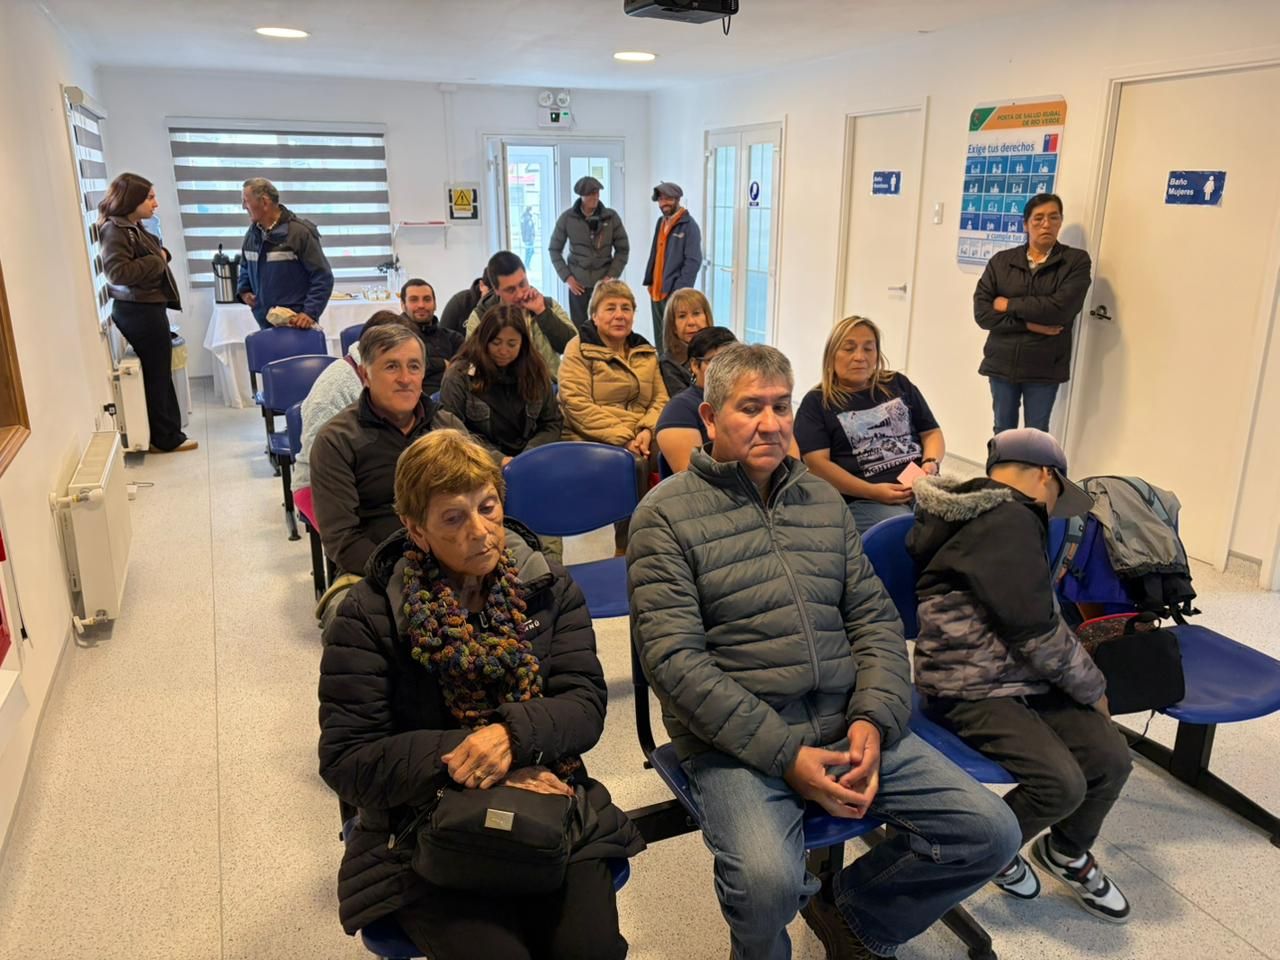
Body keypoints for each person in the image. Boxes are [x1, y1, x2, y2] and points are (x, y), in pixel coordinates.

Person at [627, 343, 1021, 960]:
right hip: (738, 744)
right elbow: (676, 665)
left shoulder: (820, 500)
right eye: (749, 407)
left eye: (781, 406)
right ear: (709, 418)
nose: (770, 423)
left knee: (991, 832)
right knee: (766, 885)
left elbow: (874, 620)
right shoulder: (665, 516)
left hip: (845, 719)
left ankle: (855, 918)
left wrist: (873, 718)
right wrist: (787, 756)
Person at [319, 429, 643, 960]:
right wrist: (478, 759)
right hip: (422, 829)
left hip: (548, 803)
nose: (481, 532)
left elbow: (584, 705)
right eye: (453, 518)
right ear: (415, 530)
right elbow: (349, 759)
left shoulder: (547, 588)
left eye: (487, 507)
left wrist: (511, 739)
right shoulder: (370, 614)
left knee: (591, 951)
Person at [909, 428, 1133, 924]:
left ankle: (1065, 851)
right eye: (1057, 496)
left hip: (1017, 674)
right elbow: (1036, 631)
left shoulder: (994, 513)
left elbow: (1036, 626)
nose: (1054, 510)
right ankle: (993, 847)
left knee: (1111, 758)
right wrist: (1094, 689)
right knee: (1061, 785)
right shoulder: (1008, 518)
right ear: (1047, 476)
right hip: (967, 684)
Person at [309, 322, 466, 627]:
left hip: (452, 556)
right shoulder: (337, 440)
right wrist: (411, 575)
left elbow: (479, 502)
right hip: (372, 566)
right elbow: (342, 539)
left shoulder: (447, 428)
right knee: (346, 622)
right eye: (391, 366)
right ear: (365, 375)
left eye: (414, 366)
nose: (405, 379)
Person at [796, 316, 945, 534]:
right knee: (909, 531)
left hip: (920, 486)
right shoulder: (817, 402)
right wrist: (872, 491)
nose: (860, 357)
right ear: (831, 355)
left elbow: (931, 432)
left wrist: (931, 463)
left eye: (868, 348)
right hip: (863, 498)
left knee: (963, 519)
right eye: (849, 349)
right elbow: (817, 465)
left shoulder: (897, 383)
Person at [558, 281, 668, 552]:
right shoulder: (578, 348)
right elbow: (576, 404)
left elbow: (661, 399)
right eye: (610, 308)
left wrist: (646, 431)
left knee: (681, 449)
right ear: (594, 316)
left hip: (641, 435)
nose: (620, 315)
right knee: (634, 464)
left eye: (626, 308)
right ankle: (629, 548)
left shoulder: (645, 351)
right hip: (591, 435)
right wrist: (625, 438)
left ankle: (672, 538)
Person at [973, 192, 1093, 433]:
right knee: (1002, 431)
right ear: (1026, 224)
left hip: (1045, 364)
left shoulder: (1075, 261)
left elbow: (1060, 310)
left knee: (1036, 434)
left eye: (1053, 217)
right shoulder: (1002, 261)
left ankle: (1033, 463)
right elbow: (983, 314)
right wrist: (1030, 325)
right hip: (1002, 361)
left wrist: (1008, 304)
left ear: (1060, 221)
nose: (1046, 224)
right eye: (1038, 218)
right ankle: (1001, 462)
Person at [97, 172, 196, 453]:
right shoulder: (115, 229)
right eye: (150, 197)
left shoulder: (132, 226)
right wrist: (157, 260)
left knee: (160, 372)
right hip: (139, 311)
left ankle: (169, 434)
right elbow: (117, 272)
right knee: (157, 375)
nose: (156, 203)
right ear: (132, 199)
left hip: (146, 307)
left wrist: (160, 256)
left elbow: (152, 254)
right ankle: (165, 439)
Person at [292, 310, 403, 492]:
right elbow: (320, 457)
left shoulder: (384, 377)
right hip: (322, 484)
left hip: (372, 474)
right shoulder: (334, 388)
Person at [439, 303, 563, 467]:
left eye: (512, 344)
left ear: (523, 344)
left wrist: (528, 456)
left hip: (531, 460)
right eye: (496, 343)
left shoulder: (536, 371)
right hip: (477, 463)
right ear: (483, 340)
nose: (503, 351)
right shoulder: (458, 375)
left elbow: (551, 423)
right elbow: (453, 433)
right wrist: (498, 460)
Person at [236, 177, 334, 331]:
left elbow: (323, 277)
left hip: (297, 325)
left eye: (246, 201)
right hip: (265, 323)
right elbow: (245, 266)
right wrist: (244, 291)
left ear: (264, 202)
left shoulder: (300, 233)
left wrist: (309, 312)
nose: (243, 207)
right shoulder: (252, 234)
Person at [465, 252, 577, 381]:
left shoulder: (547, 305)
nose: (519, 294)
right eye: (510, 290)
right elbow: (473, 364)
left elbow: (573, 347)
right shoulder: (480, 317)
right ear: (496, 290)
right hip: (501, 387)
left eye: (523, 284)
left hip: (549, 384)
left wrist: (542, 312)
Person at [549, 176, 630, 329]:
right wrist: (567, 278)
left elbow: (623, 249)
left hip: (603, 285)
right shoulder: (567, 218)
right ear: (581, 195)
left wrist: (611, 276)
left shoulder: (611, 218)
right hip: (578, 286)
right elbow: (554, 249)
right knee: (581, 329)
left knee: (605, 326)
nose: (596, 197)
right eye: (591, 194)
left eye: (597, 193)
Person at [654, 326, 736, 474]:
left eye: (733, 362)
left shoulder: (746, 401)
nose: (727, 369)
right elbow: (692, 479)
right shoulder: (680, 409)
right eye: (716, 362)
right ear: (695, 365)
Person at [642, 182, 703, 337]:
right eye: (660, 200)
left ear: (677, 199)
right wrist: (650, 282)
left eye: (668, 199)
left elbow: (693, 262)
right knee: (660, 338)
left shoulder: (689, 226)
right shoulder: (660, 222)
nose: (664, 203)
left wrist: (678, 292)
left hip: (673, 294)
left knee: (674, 339)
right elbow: (655, 253)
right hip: (656, 292)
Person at [399, 278, 461, 396]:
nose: (421, 305)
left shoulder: (453, 338)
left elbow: (467, 369)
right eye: (414, 300)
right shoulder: (395, 338)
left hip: (453, 397)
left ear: (435, 304)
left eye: (427, 299)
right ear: (403, 305)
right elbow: (403, 369)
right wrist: (441, 364)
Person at [658, 287, 713, 398]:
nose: (691, 322)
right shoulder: (669, 363)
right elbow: (685, 403)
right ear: (673, 327)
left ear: (707, 318)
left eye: (696, 313)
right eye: (682, 316)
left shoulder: (723, 349)